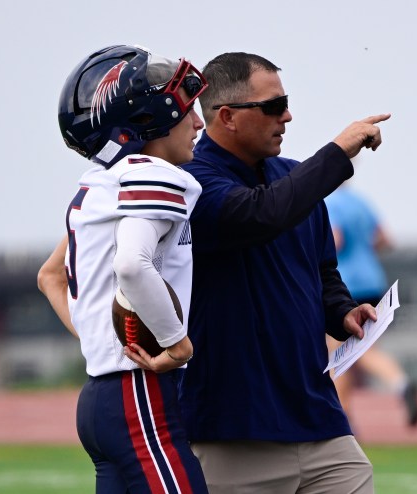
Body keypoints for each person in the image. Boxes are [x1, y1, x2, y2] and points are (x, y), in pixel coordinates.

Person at [125, 52, 390, 493]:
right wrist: (337, 151)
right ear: (226, 116)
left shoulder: (294, 178)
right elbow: (258, 216)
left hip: (319, 421)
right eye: (273, 106)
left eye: (285, 103)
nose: (286, 116)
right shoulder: (190, 181)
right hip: (232, 431)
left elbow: (323, 269)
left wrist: (342, 311)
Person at [37, 44, 209, 493]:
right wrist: (176, 344)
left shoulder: (101, 183)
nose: (198, 123)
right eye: (186, 110)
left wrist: (105, 339)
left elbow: (49, 276)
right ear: (149, 121)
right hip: (140, 395)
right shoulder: (152, 174)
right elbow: (132, 265)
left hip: (100, 399)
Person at [325, 183, 417, 428]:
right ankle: (398, 383)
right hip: (372, 279)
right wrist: (364, 251)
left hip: (345, 283)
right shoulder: (362, 203)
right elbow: (385, 238)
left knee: (340, 354)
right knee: (359, 348)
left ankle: (344, 419)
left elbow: (335, 239)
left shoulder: (331, 203)